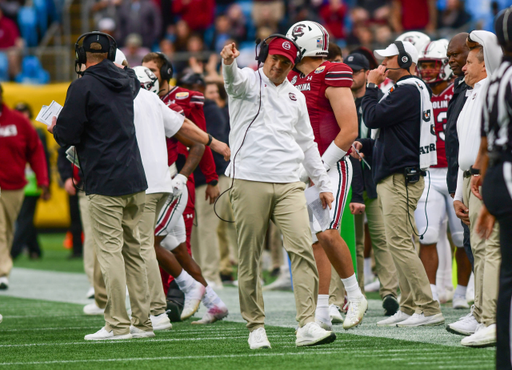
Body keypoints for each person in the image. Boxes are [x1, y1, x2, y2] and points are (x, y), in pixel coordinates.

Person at [221, 38, 336, 348]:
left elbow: (308, 143)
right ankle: (256, 326)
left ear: (292, 65)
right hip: (249, 179)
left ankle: (307, 324)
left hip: (289, 182)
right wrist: (229, 62)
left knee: (302, 249)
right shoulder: (246, 79)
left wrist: (323, 184)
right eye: (274, 59)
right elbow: (231, 82)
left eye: (285, 62)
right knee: (250, 256)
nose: (278, 65)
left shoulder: (295, 96)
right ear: (263, 57)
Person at [48, 32, 152, 340]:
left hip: (104, 179)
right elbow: (129, 75)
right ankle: (144, 323)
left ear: (82, 57)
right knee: (134, 251)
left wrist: (56, 127)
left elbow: (67, 133)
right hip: (134, 177)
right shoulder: (128, 81)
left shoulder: (82, 86)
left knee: (109, 252)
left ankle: (118, 324)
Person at [354, 40, 444, 327]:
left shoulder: (407, 89)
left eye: (389, 59)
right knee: (399, 244)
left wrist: (369, 87)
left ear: (405, 60)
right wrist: (368, 145)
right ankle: (408, 305)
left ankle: (428, 308)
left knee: (401, 244)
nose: (382, 65)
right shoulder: (410, 89)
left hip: (400, 177)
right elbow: (395, 133)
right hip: (400, 173)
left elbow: (371, 116)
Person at [286, 21, 368, 331]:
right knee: (314, 241)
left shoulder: (332, 71)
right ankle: (321, 310)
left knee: (328, 233)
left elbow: (349, 131)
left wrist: (317, 169)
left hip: (333, 164)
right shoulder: (294, 77)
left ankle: (354, 295)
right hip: (305, 168)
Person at [450, 30, 502, 347]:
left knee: (488, 248)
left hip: (486, 175)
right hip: (470, 177)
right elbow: (464, 150)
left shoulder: (492, 91)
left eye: (470, 61)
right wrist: (459, 192)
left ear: (485, 65)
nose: (464, 67)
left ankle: (492, 319)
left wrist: (481, 175)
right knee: (478, 249)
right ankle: (482, 314)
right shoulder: (471, 94)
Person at [344, 51, 399, 316]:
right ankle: (358, 294)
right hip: (348, 180)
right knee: (352, 242)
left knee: (382, 238)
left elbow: (384, 138)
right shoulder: (340, 99)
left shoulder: (376, 99)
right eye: (348, 71)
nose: (350, 76)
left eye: (355, 72)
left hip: (374, 178)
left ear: (367, 74)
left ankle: (390, 293)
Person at [414, 39, 468, 307]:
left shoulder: (461, 91)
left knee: (461, 237)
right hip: (428, 173)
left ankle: (462, 291)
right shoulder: (417, 92)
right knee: (427, 236)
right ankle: (432, 292)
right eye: (423, 65)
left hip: (455, 172)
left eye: (432, 65)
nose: (425, 71)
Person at [474, 8, 512, 367]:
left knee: (508, 276)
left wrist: (488, 199)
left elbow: (486, 142)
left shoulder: (495, 80)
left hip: (499, 176)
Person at [0, 85, 49, 290]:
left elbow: (36, 151)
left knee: (9, 228)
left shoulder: (19, 121)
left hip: (15, 186)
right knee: (0, 228)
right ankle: (2, 271)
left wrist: (43, 181)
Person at [443, 33, 475, 312]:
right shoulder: (460, 87)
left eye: (457, 54)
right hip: (461, 178)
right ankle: (483, 313)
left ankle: (485, 313)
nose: (452, 61)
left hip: (479, 177)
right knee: (469, 243)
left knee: (480, 247)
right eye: (449, 56)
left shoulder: (482, 89)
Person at [11, 103, 50, 261]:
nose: (21, 115)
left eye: (24, 112)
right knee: (24, 219)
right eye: (18, 112)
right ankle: (35, 249)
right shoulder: (11, 132)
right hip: (15, 183)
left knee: (24, 219)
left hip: (32, 183)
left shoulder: (37, 133)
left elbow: (43, 159)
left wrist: (45, 183)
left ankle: (12, 252)